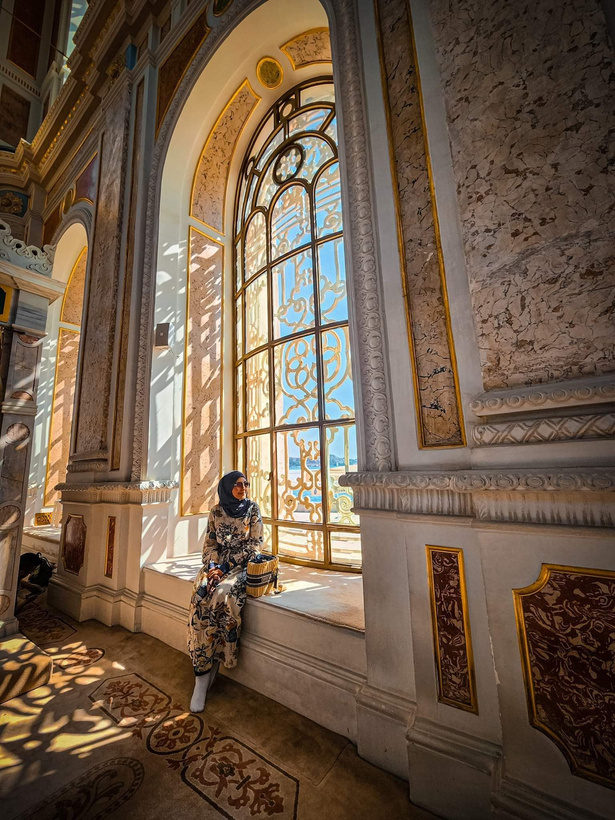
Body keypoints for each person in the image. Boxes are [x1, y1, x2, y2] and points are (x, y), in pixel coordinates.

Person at [187, 470, 263, 712]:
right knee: (201, 595)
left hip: (239, 567)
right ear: (227, 487)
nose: (243, 488)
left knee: (223, 597)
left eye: (246, 484)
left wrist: (226, 567)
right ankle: (201, 670)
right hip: (215, 567)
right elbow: (210, 544)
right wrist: (212, 567)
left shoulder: (252, 509)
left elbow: (255, 545)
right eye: (238, 484)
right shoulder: (216, 512)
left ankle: (219, 656)